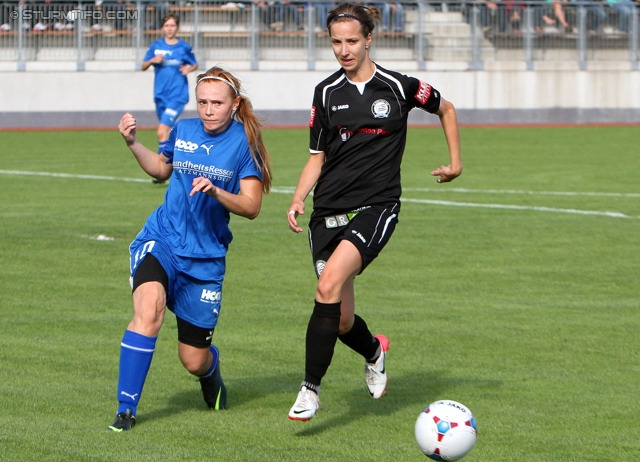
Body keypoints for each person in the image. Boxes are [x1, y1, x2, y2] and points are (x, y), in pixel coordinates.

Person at [286, 2, 462, 421]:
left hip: (375, 207)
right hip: (327, 211)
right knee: (342, 319)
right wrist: (297, 197)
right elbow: (316, 155)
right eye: (335, 42)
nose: (343, 50)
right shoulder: (326, 93)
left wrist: (455, 163)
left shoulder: (399, 86)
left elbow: (446, 108)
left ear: (369, 39)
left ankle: (310, 390)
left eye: (351, 41)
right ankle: (373, 350)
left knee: (326, 286)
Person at [108, 66, 272, 432]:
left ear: (234, 104)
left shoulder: (246, 144)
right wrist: (134, 143)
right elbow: (161, 170)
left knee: (193, 360)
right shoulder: (183, 128)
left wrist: (216, 190)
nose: (208, 109)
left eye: (217, 103)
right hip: (162, 238)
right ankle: (126, 409)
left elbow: (252, 206)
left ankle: (210, 373)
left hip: (205, 259)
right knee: (148, 310)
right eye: (202, 102)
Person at [141, 12, 198, 183]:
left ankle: (161, 170)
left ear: (177, 27)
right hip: (160, 95)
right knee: (167, 133)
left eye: (172, 25)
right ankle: (177, 164)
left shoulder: (183, 47)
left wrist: (189, 69)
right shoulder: (156, 46)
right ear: (162, 28)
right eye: (167, 25)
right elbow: (143, 66)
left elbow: (194, 63)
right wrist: (153, 60)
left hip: (178, 95)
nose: (170, 29)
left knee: (161, 131)